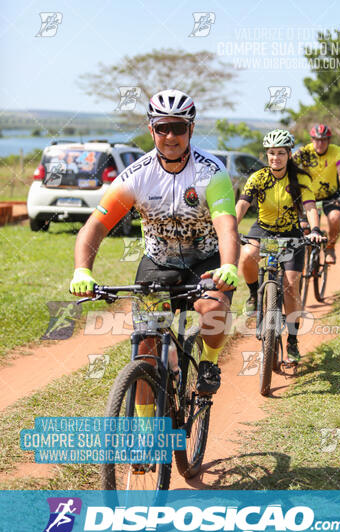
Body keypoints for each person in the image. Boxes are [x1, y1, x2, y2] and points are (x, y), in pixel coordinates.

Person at [69, 89, 239, 400]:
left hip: (205, 261)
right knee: (145, 350)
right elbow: (94, 226)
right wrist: (82, 270)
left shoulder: (211, 172)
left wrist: (228, 265)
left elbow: (226, 223)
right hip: (158, 264)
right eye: (163, 128)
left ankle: (210, 363)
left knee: (214, 307)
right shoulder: (136, 176)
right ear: (152, 129)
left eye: (178, 128)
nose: (170, 136)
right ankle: (149, 432)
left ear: (191, 128)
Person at [236, 128, 323, 364]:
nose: (276, 157)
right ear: (267, 154)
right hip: (263, 229)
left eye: (281, 153)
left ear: (289, 154)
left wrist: (314, 229)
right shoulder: (258, 177)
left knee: (291, 287)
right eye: (272, 153)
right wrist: (231, 227)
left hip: (291, 233)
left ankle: (292, 341)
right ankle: (254, 294)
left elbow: (310, 207)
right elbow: (243, 204)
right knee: (247, 254)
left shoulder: (300, 179)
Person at [293, 124, 340, 264]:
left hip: (331, 195)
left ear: (329, 140)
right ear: (312, 140)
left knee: (335, 218)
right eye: (317, 139)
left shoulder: (337, 151)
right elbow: (289, 165)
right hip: (308, 196)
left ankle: (330, 247)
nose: (320, 143)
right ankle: (306, 256)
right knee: (304, 228)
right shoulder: (305, 151)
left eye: (324, 139)